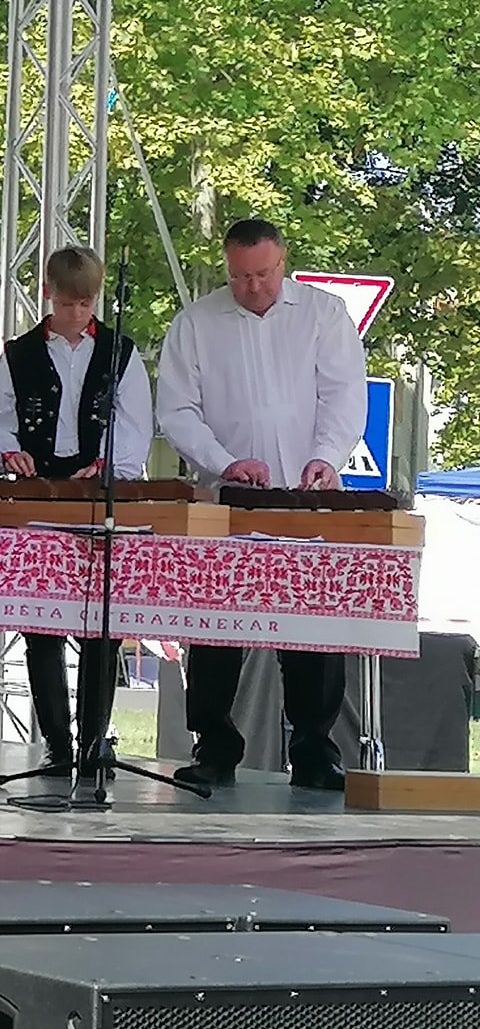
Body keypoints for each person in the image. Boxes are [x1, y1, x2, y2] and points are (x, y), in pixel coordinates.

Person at [156, 218, 366, 791]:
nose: (252, 286)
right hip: (227, 500)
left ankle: (314, 749)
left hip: (308, 496)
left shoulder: (323, 315)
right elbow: (177, 410)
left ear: (283, 261)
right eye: (240, 276)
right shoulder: (196, 323)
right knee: (216, 627)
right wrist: (224, 462)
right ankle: (214, 745)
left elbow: (344, 396)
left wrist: (327, 457)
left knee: (312, 626)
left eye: (263, 274)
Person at [0, 245, 153, 768]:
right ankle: (57, 742)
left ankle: (95, 739)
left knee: (103, 626)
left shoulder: (120, 352)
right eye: (67, 302)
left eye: (86, 303)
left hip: (98, 499)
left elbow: (134, 426)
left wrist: (108, 464)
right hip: (41, 496)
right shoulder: (18, 354)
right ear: (47, 293)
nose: (77, 313)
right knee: (40, 622)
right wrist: (11, 454)